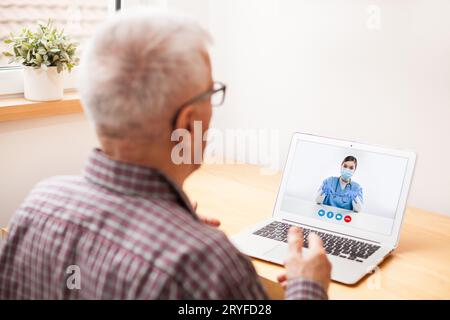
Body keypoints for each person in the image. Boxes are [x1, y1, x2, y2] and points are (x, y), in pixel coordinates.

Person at [0, 9, 331, 299]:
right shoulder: (206, 265)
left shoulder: (38, 205)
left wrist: (170, 228)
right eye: (212, 92)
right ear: (187, 123)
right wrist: (308, 286)